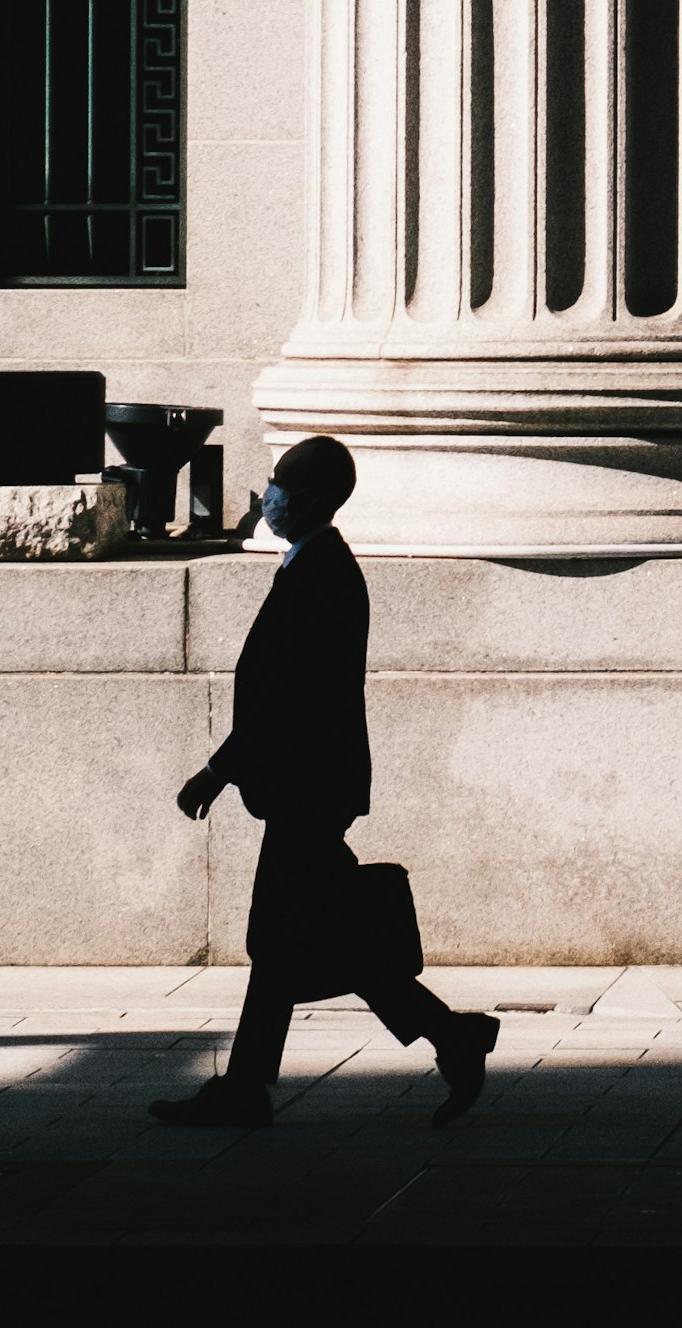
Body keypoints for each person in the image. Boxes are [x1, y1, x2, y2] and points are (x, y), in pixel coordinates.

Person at [150, 432, 502, 1131]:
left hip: (308, 789)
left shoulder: (322, 575)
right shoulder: (314, 567)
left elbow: (286, 697)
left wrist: (217, 771)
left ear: (309, 496)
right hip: (310, 787)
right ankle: (447, 1038)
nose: (267, 494)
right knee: (306, 944)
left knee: (290, 943)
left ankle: (256, 1086)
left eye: (280, 482)